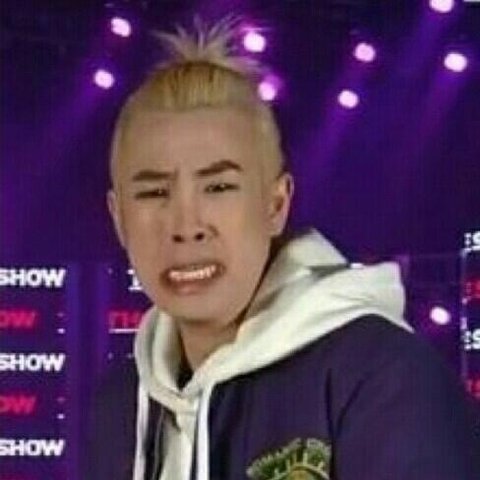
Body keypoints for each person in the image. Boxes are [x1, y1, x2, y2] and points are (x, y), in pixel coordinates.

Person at [87, 18, 480, 480]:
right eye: (154, 193)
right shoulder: (120, 408)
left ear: (275, 205)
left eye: (219, 187)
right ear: (118, 217)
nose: (186, 226)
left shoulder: (383, 376)